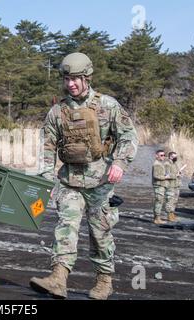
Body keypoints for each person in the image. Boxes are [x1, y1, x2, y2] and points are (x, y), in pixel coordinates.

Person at [29, 52, 138, 300]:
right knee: (65, 226)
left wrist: (120, 162)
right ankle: (58, 278)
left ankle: (104, 280)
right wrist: (47, 178)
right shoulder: (57, 112)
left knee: (100, 233)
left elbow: (129, 136)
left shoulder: (107, 106)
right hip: (69, 182)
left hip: (101, 182)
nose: (71, 84)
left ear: (87, 77)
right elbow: (47, 147)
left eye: (76, 78)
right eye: (67, 78)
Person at [152, 149, 171, 224]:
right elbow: (156, 176)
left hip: (161, 185)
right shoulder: (156, 164)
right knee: (159, 202)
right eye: (161, 155)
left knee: (159, 201)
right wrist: (165, 177)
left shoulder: (160, 163)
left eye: (164, 155)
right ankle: (157, 218)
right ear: (156, 156)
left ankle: (156, 218)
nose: (163, 157)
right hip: (158, 185)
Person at [164, 152, 181, 222]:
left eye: (176, 156)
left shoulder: (175, 164)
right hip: (170, 185)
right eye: (174, 156)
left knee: (175, 201)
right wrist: (175, 175)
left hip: (176, 185)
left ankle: (172, 214)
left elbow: (177, 173)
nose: (176, 158)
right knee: (170, 201)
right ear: (170, 157)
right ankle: (169, 215)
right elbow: (166, 175)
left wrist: (179, 174)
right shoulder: (167, 164)